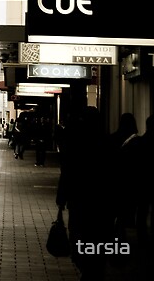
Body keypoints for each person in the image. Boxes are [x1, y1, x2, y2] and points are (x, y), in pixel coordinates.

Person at [57, 107, 113, 280]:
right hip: (102, 202)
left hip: (79, 200)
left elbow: (67, 172)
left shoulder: (75, 144)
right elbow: (115, 174)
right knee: (99, 236)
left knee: (79, 234)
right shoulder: (107, 143)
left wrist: (61, 199)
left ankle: (85, 265)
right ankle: (95, 266)